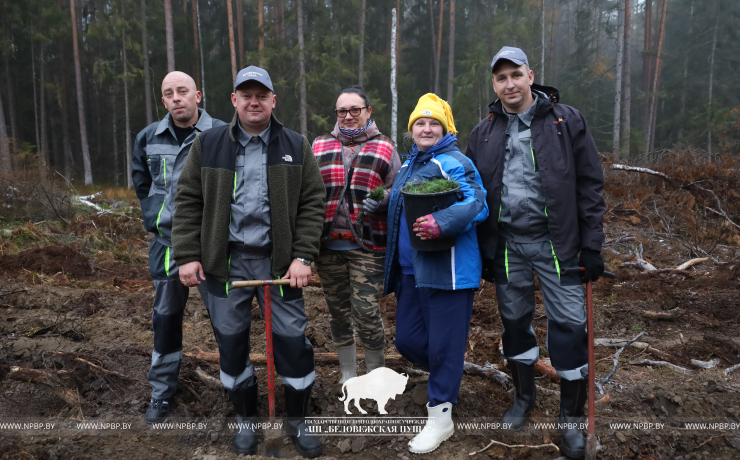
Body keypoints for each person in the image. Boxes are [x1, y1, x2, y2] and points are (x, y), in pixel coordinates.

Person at [172, 66, 325, 458]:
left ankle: (296, 422)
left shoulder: (295, 144)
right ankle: (246, 421)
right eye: (247, 95)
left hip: (280, 266)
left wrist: (304, 256)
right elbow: (188, 201)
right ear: (234, 100)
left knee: (293, 343)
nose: (254, 102)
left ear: (273, 101)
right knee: (232, 343)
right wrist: (188, 255)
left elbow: (312, 202)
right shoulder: (209, 145)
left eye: (262, 95)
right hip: (225, 267)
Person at [466, 46, 605, 459]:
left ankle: (570, 419)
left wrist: (592, 247)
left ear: (531, 76)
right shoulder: (484, 131)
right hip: (508, 245)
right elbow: (475, 194)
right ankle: (523, 400)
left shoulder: (566, 121)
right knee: (514, 324)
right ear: (494, 84)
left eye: (515, 75)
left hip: (557, 244)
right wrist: (483, 250)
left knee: (569, 327)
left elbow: (590, 185)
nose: (509, 84)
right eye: (500, 78)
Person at [383, 94, 488, 454]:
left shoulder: (455, 162)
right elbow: (408, 200)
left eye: (434, 123)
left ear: (446, 128)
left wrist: (441, 223)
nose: (426, 128)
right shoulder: (411, 163)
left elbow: (477, 202)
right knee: (407, 340)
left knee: (443, 345)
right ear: (411, 129)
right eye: (420, 123)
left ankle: (441, 417)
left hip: (449, 269)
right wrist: (383, 200)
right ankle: (449, 372)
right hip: (412, 270)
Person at [131, 71, 226, 424]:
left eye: (182, 91)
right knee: (165, 321)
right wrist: (157, 216)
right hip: (167, 245)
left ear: (197, 95)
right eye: (169, 93)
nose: (176, 98)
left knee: (225, 321)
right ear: (163, 100)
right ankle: (161, 393)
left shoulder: (222, 134)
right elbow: (143, 185)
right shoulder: (147, 138)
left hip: (215, 246)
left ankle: (236, 389)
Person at [312, 86, 401, 383]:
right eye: (342, 111)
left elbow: (397, 190)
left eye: (355, 110)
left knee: (365, 311)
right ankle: (347, 373)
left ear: (368, 111)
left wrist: (384, 198)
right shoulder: (320, 145)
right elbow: (308, 192)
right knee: (337, 313)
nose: (348, 116)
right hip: (327, 248)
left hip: (368, 246)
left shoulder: (385, 146)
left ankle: (376, 373)